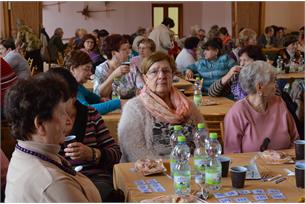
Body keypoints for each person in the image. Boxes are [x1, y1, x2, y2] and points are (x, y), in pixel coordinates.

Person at [4, 73, 101, 202]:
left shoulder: (23, 152)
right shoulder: (52, 183)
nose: (68, 121)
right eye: (62, 114)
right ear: (40, 124)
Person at [47, 68, 123, 201]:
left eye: (61, 100)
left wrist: (93, 154)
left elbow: (116, 154)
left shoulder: (90, 114)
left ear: (74, 97)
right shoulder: (45, 121)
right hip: (59, 179)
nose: (54, 106)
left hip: (94, 179)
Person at [118, 52, 204, 162]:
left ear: (172, 75)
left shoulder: (187, 105)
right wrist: (172, 166)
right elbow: (136, 152)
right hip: (152, 171)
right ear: (145, 78)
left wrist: (196, 163)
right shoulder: (134, 108)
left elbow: (203, 140)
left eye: (166, 71)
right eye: (154, 72)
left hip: (190, 169)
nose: (161, 76)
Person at [224, 61, 299, 153]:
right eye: (273, 81)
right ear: (259, 87)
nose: (276, 85)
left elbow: (295, 140)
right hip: (251, 166)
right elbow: (232, 156)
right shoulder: (237, 113)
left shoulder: (279, 103)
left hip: (284, 165)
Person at [64, 50, 122, 115]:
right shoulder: (69, 87)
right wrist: (119, 103)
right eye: (86, 69)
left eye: (90, 69)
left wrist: (100, 100)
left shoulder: (78, 86)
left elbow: (91, 96)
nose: (90, 73)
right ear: (72, 69)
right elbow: (86, 110)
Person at [94, 34, 142, 99]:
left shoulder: (132, 66)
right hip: (112, 106)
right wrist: (113, 75)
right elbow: (98, 94)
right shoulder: (102, 69)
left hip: (130, 105)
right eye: (124, 49)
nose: (129, 52)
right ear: (113, 53)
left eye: (129, 48)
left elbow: (141, 87)